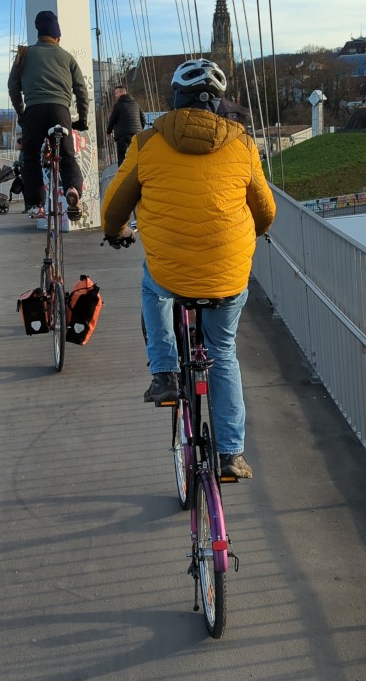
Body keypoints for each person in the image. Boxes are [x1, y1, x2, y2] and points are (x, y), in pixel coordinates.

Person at [101, 58, 276, 479]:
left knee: (154, 285)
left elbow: (112, 209)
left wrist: (117, 229)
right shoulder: (244, 144)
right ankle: (230, 455)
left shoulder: (145, 143)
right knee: (223, 352)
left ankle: (163, 372)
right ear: (219, 106)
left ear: (174, 102)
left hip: (172, 273)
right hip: (227, 276)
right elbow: (266, 212)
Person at [8, 10, 89, 219]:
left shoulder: (24, 55)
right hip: (60, 111)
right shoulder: (67, 57)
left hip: (34, 111)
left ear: (38, 33)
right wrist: (82, 119)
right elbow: (81, 90)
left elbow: (12, 86)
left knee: (31, 158)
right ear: (58, 37)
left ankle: (36, 204)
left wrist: (21, 112)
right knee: (67, 156)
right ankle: (73, 190)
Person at [105, 85, 146, 165]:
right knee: (136, 157)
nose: (115, 95)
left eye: (116, 93)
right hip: (136, 135)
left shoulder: (118, 105)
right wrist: (139, 130)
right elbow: (143, 120)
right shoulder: (136, 104)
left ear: (121, 93)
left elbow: (112, 120)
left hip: (122, 136)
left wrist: (108, 132)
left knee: (123, 159)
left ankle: (123, 176)